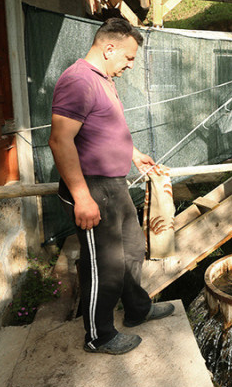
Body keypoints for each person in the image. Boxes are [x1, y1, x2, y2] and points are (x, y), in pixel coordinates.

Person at [49, 18, 174, 355]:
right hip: (91, 187)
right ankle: (98, 335)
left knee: (133, 251)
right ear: (109, 48)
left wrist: (134, 154)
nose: (130, 65)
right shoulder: (78, 81)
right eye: (129, 57)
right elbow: (61, 141)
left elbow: (103, 129)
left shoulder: (102, 79)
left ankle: (137, 309)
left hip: (114, 185)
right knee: (104, 264)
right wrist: (81, 197)